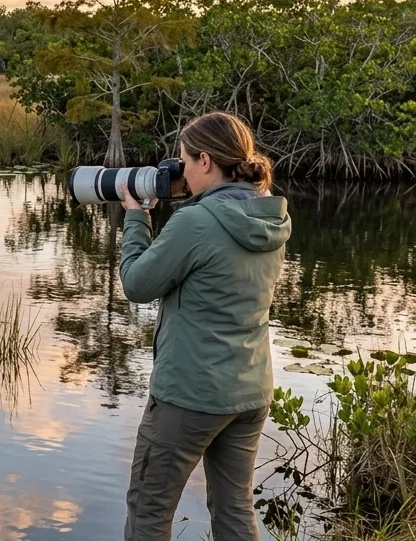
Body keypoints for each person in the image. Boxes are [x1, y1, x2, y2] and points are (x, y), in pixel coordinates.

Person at [118, 112, 292, 541]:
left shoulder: (196, 221)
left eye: (184, 161)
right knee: (234, 508)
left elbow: (137, 284)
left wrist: (136, 218)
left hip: (189, 395)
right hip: (249, 391)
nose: (181, 171)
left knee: (148, 511)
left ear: (206, 161)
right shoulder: (272, 216)